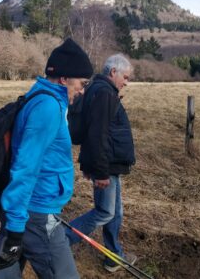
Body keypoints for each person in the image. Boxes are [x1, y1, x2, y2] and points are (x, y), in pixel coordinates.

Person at [0, 38, 93, 279]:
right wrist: (15, 227)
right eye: (82, 83)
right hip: (35, 212)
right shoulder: (47, 107)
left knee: (5, 272)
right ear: (65, 79)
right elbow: (26, 167)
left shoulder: (43, 97)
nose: (83, 89)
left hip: (26, 207)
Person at [65, 53, 136, 273]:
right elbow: (97, 135)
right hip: (107, 165)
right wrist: (100, 171)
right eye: (125, 77)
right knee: (105, 212)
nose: (127, 82)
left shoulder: (100, 90)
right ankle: (59, 242)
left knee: (116, 213)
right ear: (113, 72)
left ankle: (114, 256)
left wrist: (91, 165)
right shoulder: (104, 93)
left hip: (109, 163)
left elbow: (93, 130)